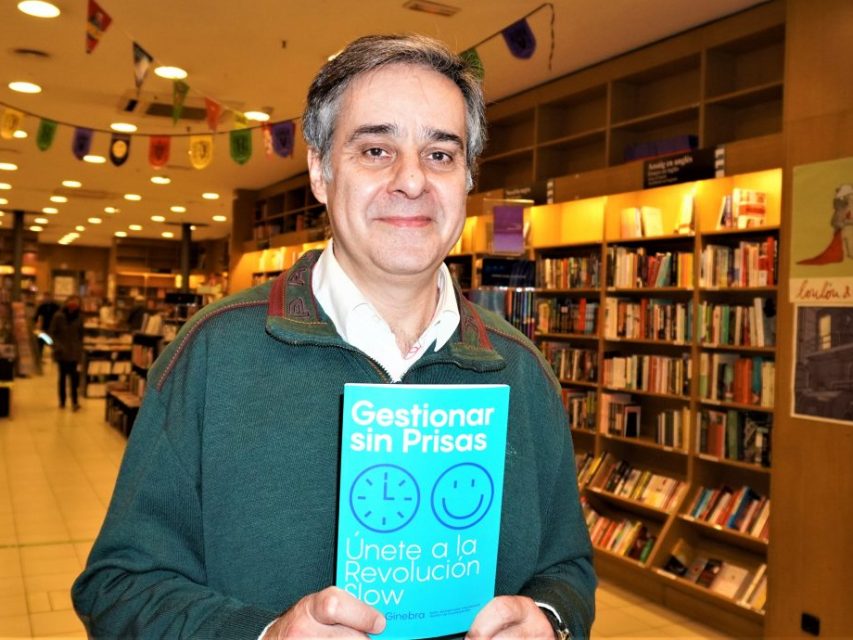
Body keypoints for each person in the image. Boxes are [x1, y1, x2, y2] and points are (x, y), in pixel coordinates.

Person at [72, 34, 596, 639]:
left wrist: (551, 620)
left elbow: (567, 569)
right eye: (376, 149)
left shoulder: (521, 369)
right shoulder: (214, 353)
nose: (412, 180)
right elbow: (118, 587)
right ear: (320, 171)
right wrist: (262, 635)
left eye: (440, 154)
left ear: (468, 177)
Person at [49, 295, 84, 410]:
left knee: (74, 378)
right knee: (62, 377)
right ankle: (62, 401)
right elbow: (52, 333)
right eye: (71, 302)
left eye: (76, 303)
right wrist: (56, 346)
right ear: (67, 303)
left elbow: (81, 335)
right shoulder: (58, 316)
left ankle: (75, 402)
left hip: (74, 352)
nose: (73, 304)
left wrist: (79, 350)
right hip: (61, 352)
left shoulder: (79, 317)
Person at [33, 293, 60, 360]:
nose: (47, 299)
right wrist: (36, 324)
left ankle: (54, 356)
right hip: (44, 328)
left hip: (54, 328)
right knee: (41, 341)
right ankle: (39, 356)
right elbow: (36, 316)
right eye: (46, 298)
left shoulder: (56, 307)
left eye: (48, 297)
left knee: (53, 342)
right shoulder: (42, 307)